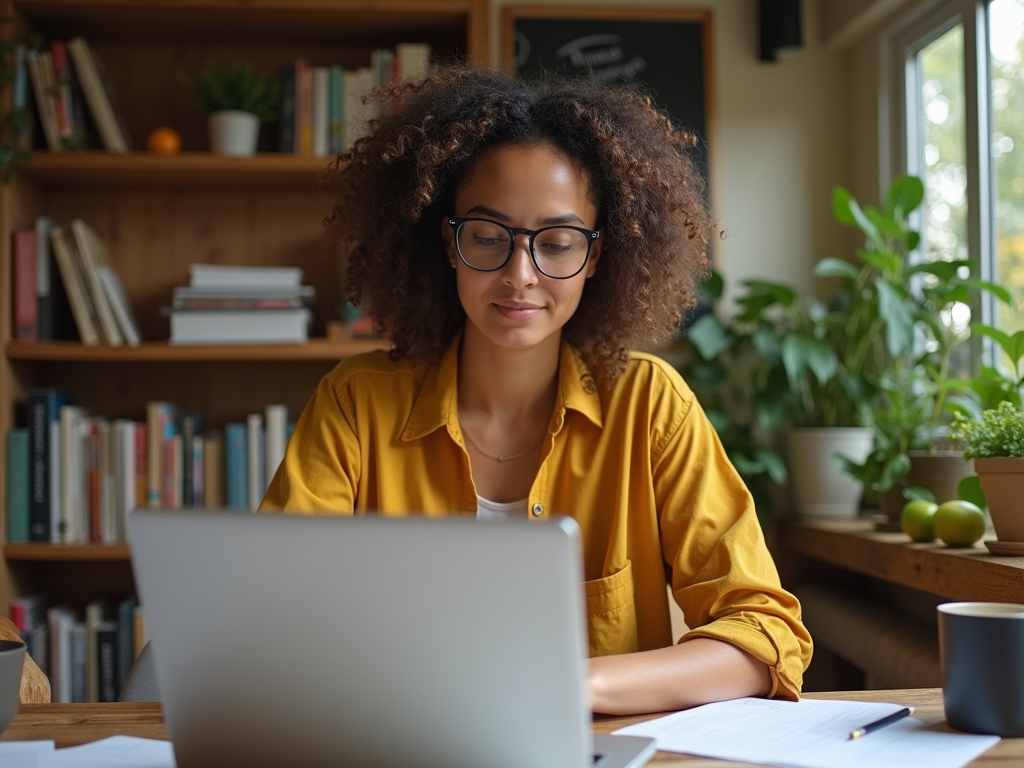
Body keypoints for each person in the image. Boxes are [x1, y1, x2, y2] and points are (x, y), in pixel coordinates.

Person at [260, 65, 812, 715]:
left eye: (555, 243)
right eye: (489, 238)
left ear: (596, 256)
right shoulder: (356, 402)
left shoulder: (649, 404)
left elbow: (764, 634)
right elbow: (275, 618)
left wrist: (580, 683)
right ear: (449, 242)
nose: (520, 276)